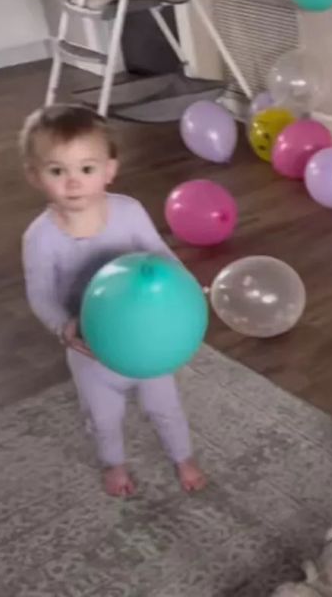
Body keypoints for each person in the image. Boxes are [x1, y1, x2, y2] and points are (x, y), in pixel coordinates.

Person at [19, 104, 206, 497]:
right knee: (104, 416)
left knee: (165, 407)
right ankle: (114, 465)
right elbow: (40, 295)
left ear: (109, 169)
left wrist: (184, 285)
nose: (73, 183)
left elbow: (159, 254)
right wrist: (63, 326)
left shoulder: (129, 211)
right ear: (35, 176)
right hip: (90, 346)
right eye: (57, 171)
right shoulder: (39, 238)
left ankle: (182, 457)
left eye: (86, 169)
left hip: (147, 340)